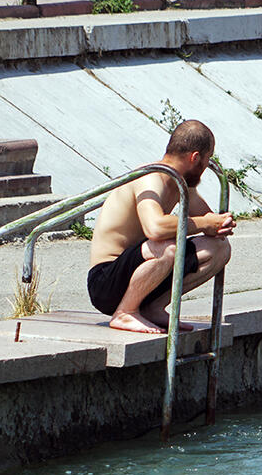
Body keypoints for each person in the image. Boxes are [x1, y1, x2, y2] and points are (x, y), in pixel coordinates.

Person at [87, 120, 235, 334]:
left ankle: (152, 307)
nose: (206, 167)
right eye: (207, 159)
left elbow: (207, 218)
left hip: (144, 275)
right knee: (166, 246)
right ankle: (125, 312)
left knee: (219, 248)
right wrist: (206, 223)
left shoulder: (181, 184)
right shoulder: (150, 178)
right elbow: (154, 228)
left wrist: (220, 224)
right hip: (106, 282)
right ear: (195, 158)